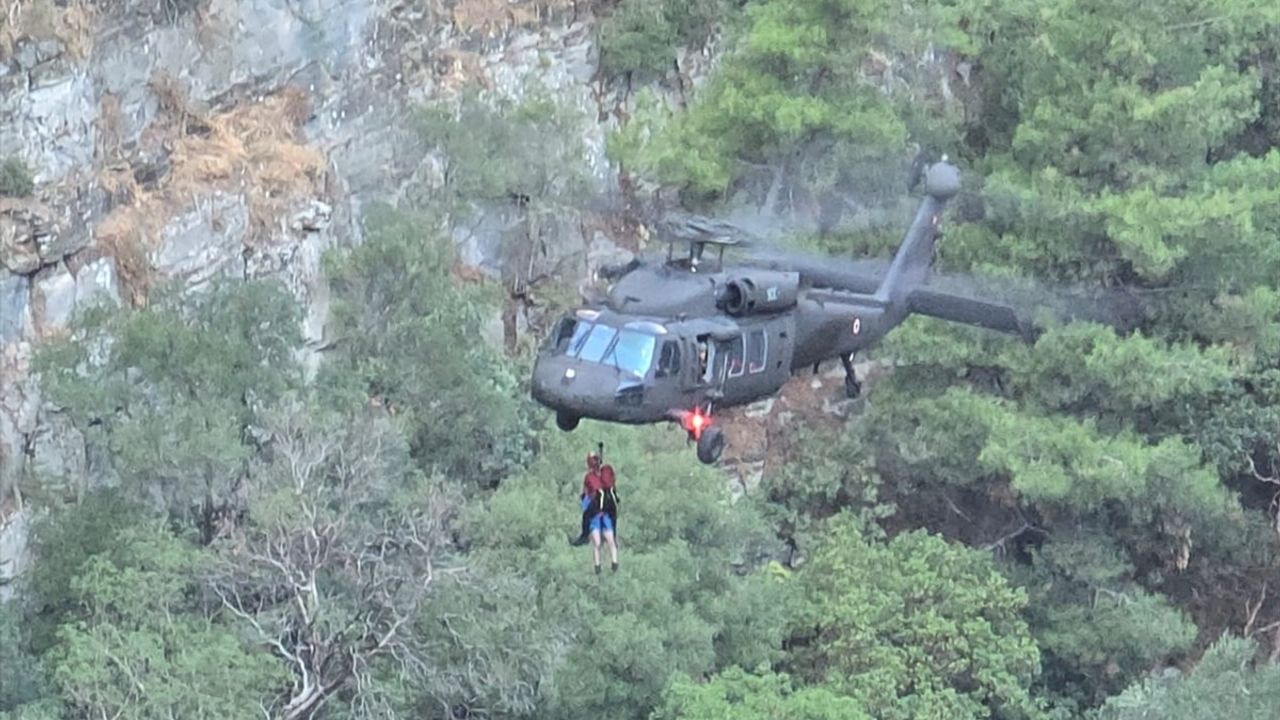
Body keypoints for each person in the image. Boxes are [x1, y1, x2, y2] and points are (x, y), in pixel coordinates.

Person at [570, 451, 619, 573]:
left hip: (598, 512)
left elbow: (586, 497)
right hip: (607, 511)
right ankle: (611, 564)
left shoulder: (591, 477)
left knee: (599, 542)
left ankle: (585, 538)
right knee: (608, 541)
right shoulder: (605, 474)